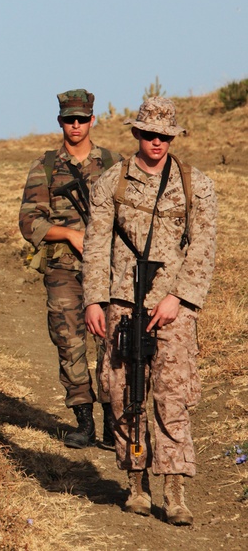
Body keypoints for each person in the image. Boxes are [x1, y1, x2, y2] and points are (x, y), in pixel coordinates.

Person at [82, 97, 216, 525]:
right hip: (122, 305)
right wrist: (94, 300)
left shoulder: (196, 184)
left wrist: (179, 297)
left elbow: (203, 248)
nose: (156, 142)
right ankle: (135, 485)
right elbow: (96, 245)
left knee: (172, 398)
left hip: (174, 308)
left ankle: (175, 493)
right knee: (124, 394)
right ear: (136, 134)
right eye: (149, 134)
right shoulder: (111, 183)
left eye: (165, 136)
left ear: (173, 137)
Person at [19, 89, 120, 450]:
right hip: (63, 267)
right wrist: (70, 235)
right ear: (60, 121)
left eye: (81, 119)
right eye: (68, 119)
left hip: (109, 269)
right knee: (68, 340)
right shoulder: (45, 167)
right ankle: (83, 421)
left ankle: (113, 421)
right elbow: (30, 222)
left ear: (92, 120)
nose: (75, 125)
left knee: (112, 342)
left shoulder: (114, 164)